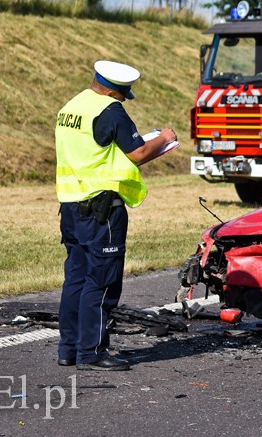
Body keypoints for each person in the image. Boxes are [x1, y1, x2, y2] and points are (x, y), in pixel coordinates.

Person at [55, 60, 177, 371]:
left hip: (70, 206)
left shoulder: (72, 106)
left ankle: (68, 349)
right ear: (114, 90)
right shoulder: (110, 110)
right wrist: (163, 138)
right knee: (102, 281)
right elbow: (138, 153)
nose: (123, 100)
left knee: (76, 280)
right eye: (123, 95)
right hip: (102, 210)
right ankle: (92, 352)